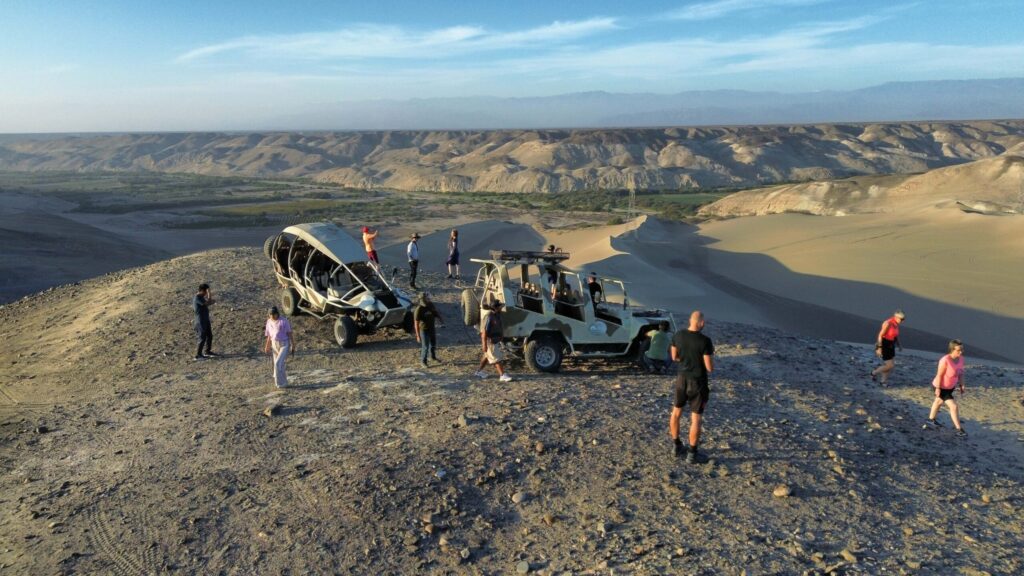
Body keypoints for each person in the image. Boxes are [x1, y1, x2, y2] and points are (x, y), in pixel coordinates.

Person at [669, 311, 715, 463]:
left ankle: (676, 446)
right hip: (697, 382)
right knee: (696, 418)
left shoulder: (678, 335)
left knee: (676, 412)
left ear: (690, 320)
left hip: (681, 379)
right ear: (701, 323)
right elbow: (709, 368)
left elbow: (674, 357)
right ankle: (692, 454)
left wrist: (686, 360)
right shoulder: (705, 341)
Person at [926, 339, 967, 436]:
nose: (961, 352)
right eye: (958, 350)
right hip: (940, 386)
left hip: (950, 387)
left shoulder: (961, 359)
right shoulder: (945, 360)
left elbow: (961, 374)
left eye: (962, 349)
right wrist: (938, 388)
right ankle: (959, 429)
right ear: (952, 349)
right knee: (953, 406)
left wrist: (962, 385)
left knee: (938, 402)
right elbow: (939, 375)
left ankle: (931, 420)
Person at [474, 300, 512, 382]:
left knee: (487, 356)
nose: (501, 308)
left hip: (495, 339)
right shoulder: (489, 317)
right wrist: (484, 344)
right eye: (500, 307)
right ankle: (502, 375)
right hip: (490, 341)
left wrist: (501, 336)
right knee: (496, 358)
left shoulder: (497, 315)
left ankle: (478, 371)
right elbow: (484, 332)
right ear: (496, 308)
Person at [870, 310, 906, 385]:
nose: (903, 321)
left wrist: (899, 345)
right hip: (884, 344)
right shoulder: (888, 323)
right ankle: (874, 372)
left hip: (891, 345)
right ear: (896, 317)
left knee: (889, 366)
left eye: (903, 319)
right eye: (901, 319)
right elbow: (880, 335)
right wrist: (879, 347)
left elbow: (895, 336)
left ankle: (883, 381)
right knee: (890, 365)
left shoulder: (896, 324)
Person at [263, 306, 294, 388]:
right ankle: (284, 382)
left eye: (274, 314)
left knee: (278, 363)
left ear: (277, 314)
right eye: (270, 314)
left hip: (284, 344)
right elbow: (269, 335)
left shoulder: (283, 321)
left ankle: (279, 384)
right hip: (274, 344)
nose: (272, 316)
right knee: (280, 364)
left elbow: (289, 333)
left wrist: (293, 345)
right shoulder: (269, 322)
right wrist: (267, 346)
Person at [413, 292, 443, 367]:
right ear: (423, 299)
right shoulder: (419, 309)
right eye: (427, 298)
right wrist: (418, 335)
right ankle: (423, 361)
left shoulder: (430, 304)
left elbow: (435, 312)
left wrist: (440, 319)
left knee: (433, 344)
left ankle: (433, 357)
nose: (428, 299)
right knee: (425, 347)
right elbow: (416, 323)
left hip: (432, 328)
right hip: (424, 330)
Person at [192, 283, 218, 360]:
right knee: (202, 338)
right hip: (200, 321)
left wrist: (210, 300)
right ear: (202, 291)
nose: (207, 293)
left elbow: (209, 302)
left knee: (209, 336)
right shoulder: (197, 298)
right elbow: (207, 303)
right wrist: (209, 295)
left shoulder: (201, 297)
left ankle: (207, 352)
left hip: (205, 320)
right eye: (206, 291)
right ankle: (198, 355)